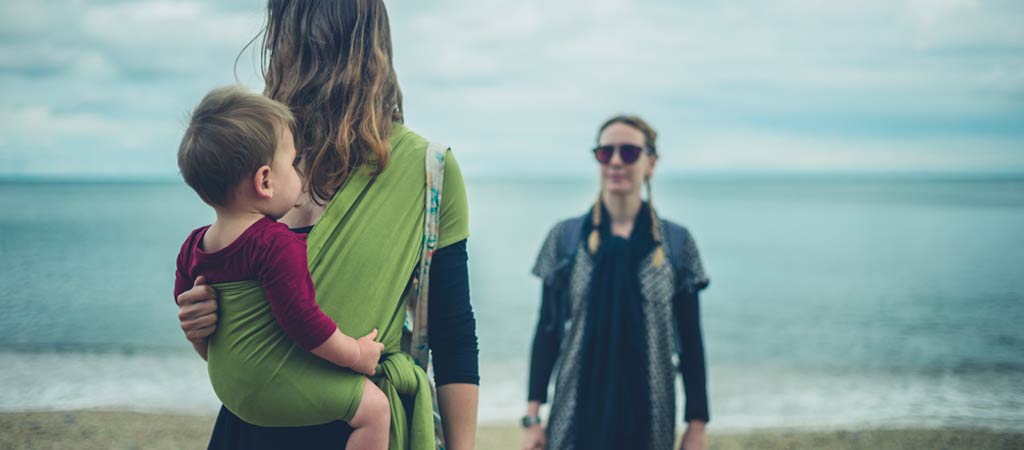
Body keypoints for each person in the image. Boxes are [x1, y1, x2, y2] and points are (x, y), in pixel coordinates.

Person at [174, 2, 479, 449]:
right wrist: (199, 320)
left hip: (355, 423)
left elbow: (453, 334)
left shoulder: (427, 170)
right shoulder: (262, 160)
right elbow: (234, 291)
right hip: (256, 421)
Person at [173, 86, 389, 450]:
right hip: (267, 391)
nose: (299, 175)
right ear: (265, 181)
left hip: (228, 388)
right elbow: (302, 321)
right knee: (375, 411)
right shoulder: (275, 244)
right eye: (292, 164)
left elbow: (192, 316)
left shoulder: (194, 244)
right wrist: (357, 355)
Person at [522, 115, 711, 450]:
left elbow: (691, 341)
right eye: (605, 153)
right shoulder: (565, 239)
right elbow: (548, 331)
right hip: (574, 408)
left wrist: (697, 425)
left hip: (652, 411)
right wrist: (533, 415)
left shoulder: (677, 244)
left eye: (629, 152)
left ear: (650, 163)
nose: (617, 162)